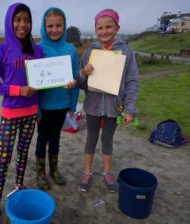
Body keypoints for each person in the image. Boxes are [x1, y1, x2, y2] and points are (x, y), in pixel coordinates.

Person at [0, 3, 43, 224]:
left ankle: (18, 187)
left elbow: (45, 80)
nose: (22, 25)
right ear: (10, 22)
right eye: (18, 20)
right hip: (10, 114)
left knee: (23, 154)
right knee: (3, 159)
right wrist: (18, 90)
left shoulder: (37, 51)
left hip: (31, 114)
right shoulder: (2, 50)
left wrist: (64, 81)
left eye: (26, 20)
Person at [77, 9, 138, 192]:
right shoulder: (90, 52)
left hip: (114, 106)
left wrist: (129, 109)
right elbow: (80, 82)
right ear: (95, 29)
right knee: (91, 137)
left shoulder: (126, 51)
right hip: (93, 105)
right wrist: (83, 73)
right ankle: (87, 172)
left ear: (117, 28)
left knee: (108, 139)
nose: (104, 31)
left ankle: (106, 172)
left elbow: (132, 81)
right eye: (100, 28)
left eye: (108, 27)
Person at [35, 7, 79, 190]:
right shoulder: (37, 48)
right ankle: (40, 173)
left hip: (62, 105)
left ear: (64, 26)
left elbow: (75, 78)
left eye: (58, 25)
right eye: (50, 26)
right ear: (44, 27)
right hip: (44, 106)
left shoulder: (70, 49)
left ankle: (54, 170)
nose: (54, 29)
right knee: (42, 139)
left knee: (55, 140)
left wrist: (72, 104)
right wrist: (35, 108)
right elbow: (33, 81)